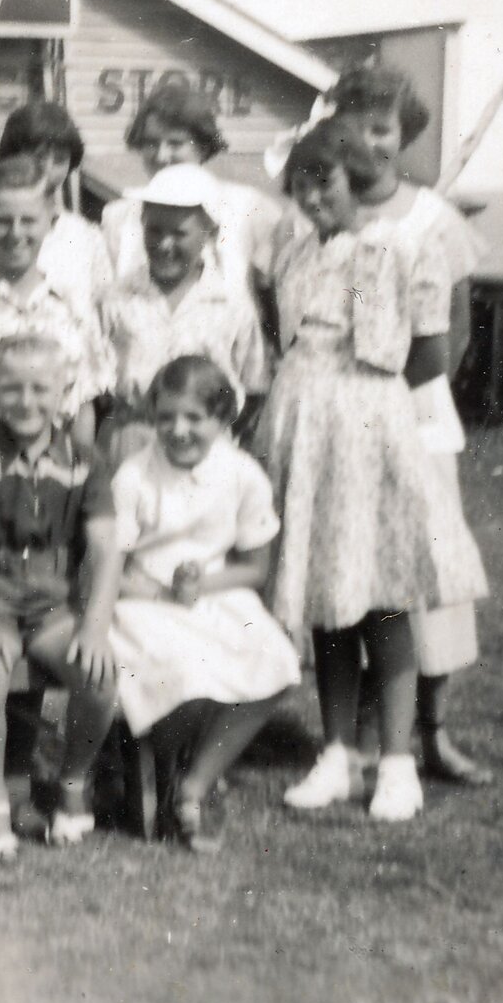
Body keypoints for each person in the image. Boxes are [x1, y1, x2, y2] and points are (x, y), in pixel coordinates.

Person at [255, 120, 486, 823]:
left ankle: (395, 762)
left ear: (354, 177)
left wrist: (361, 405)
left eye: (322, 181)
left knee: (382, 597)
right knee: (328, 597)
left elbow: (425, 355)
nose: (310, 197)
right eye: (299, 185)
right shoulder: (296, 253)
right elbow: (289, 336)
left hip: (369, 429)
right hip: (304, 429)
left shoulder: (392, 249)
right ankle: (335, 754)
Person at [331, 65, 496, 786]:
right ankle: (366, 732)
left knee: (428, 575)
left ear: (402, 136)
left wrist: (395, 405)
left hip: (416, 418)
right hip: (341, 423)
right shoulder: (325, 210)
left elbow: (450, 337)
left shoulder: (432, 217)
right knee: (357, 573)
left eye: (383, 128)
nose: (369, 142)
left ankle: (435, 732)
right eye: (355, 125)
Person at [0, 334, 123, 862]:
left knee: (99, 676)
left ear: (64, 391)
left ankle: (72, 783)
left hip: (52, 606)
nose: (26, 401)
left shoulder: (84, 459)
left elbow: (106, 549)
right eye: (12, 388)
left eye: (41, 389)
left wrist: (94, 626)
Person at [106, 356, 297, 853]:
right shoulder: (134, 476)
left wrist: (203, 583)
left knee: (277, 659)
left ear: (223, 418)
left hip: (214, 591)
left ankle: (194, 783)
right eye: (166, 417)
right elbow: (111, 568)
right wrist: (160, 592)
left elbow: (255, 569)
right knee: (187, 670)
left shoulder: (242, 474)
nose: (178, 430)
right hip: (142, 596)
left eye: (194, 418)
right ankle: (155, 767)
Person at [0, 155, 112, 452]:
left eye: (28, 221)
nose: (15, 233)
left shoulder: (74, 309)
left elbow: (83, 408)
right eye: (3, 221)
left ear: (50, 222)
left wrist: (80, 471)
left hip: (54, 468)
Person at [97, 164, 268, 463]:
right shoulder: (116, 298)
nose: (164, 244)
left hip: (207, 452)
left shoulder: (232, 304)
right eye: (154, 230)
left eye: (179, 234)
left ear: (210, 233)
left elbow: (254, 387)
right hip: (132, 445)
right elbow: (96, 383)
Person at [102, 82, 282, 298]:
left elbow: (272, 289)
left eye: (175, 143)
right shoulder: (118, 216)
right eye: (151, 143)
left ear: (202, 147)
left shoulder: (250, 206)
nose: (161, 156)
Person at [0, 101, 114, 310]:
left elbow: (102, 314)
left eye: (59, 160)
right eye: (38, 157)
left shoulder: (87, 237)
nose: (47, 170)